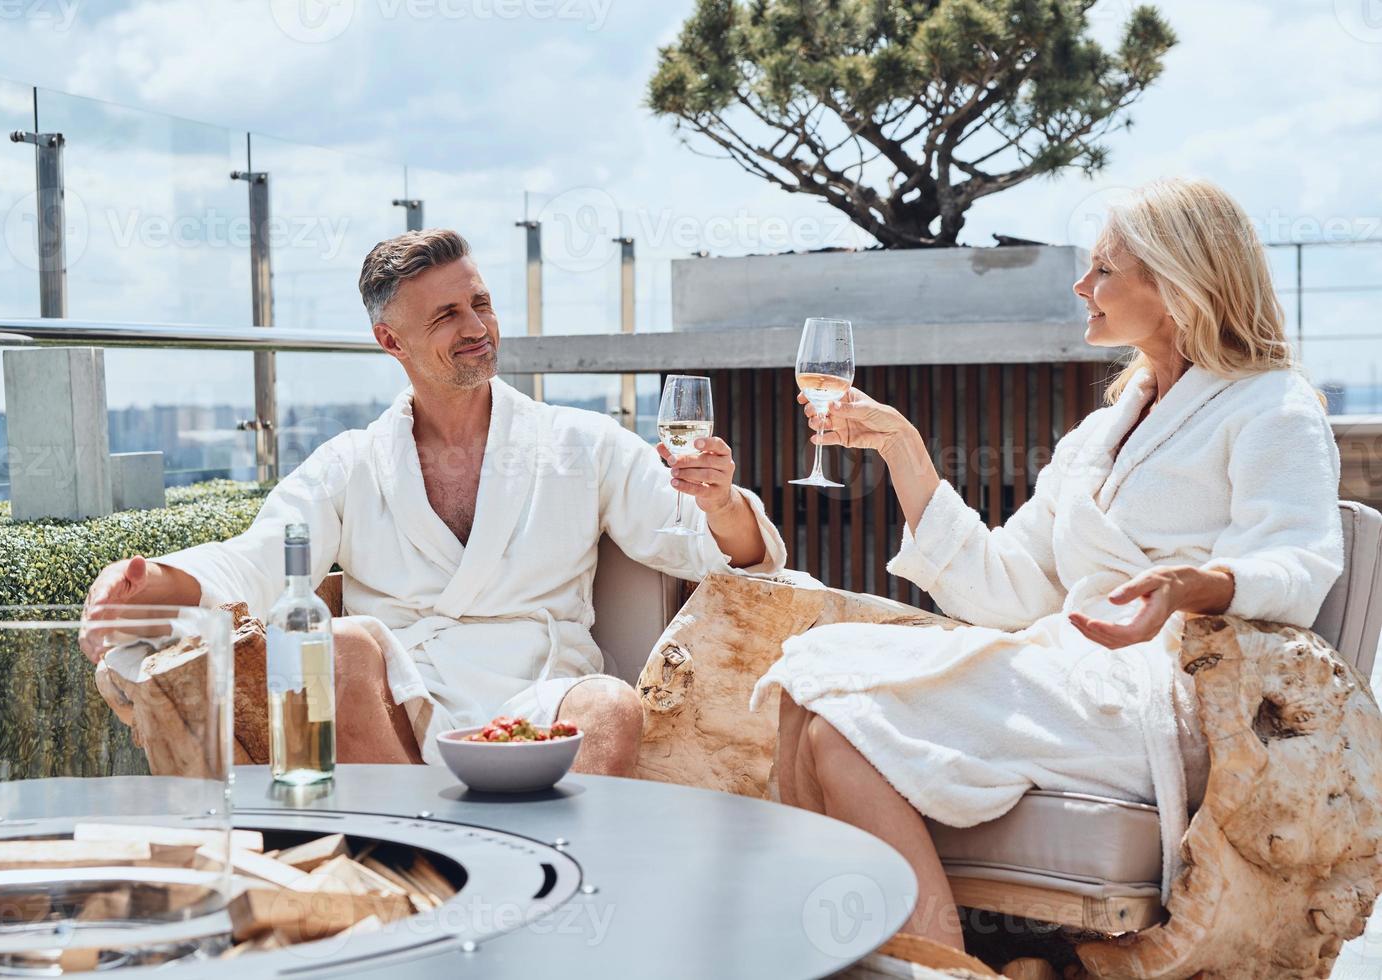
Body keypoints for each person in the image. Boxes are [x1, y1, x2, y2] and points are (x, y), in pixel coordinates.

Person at [751, 177, 1343, 950]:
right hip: (1071, 674)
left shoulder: (1271, 405)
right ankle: (871, 957)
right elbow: (1006, 587)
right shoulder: (1099, 435)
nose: (1080, 285)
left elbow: (1299, 560)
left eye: (1104, 269)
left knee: (838, 725)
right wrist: (902, 448)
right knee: (808, 683)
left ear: (1176, 286)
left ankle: (931, 967)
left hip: (1161, 694)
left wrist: (1192, 586)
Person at [83, 229, 785, 774]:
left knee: (610, 703)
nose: (476, 325)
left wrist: (721, 503)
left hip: (540, 694)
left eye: (480, 302)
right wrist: (155, 585)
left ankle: (566, 893)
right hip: (399, 699)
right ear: (391, 340)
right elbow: (261, 561)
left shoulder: (579, 442)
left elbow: (702, 543)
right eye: (447, 314)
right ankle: (410, 865)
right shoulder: (351, 464)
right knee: (346, 644)